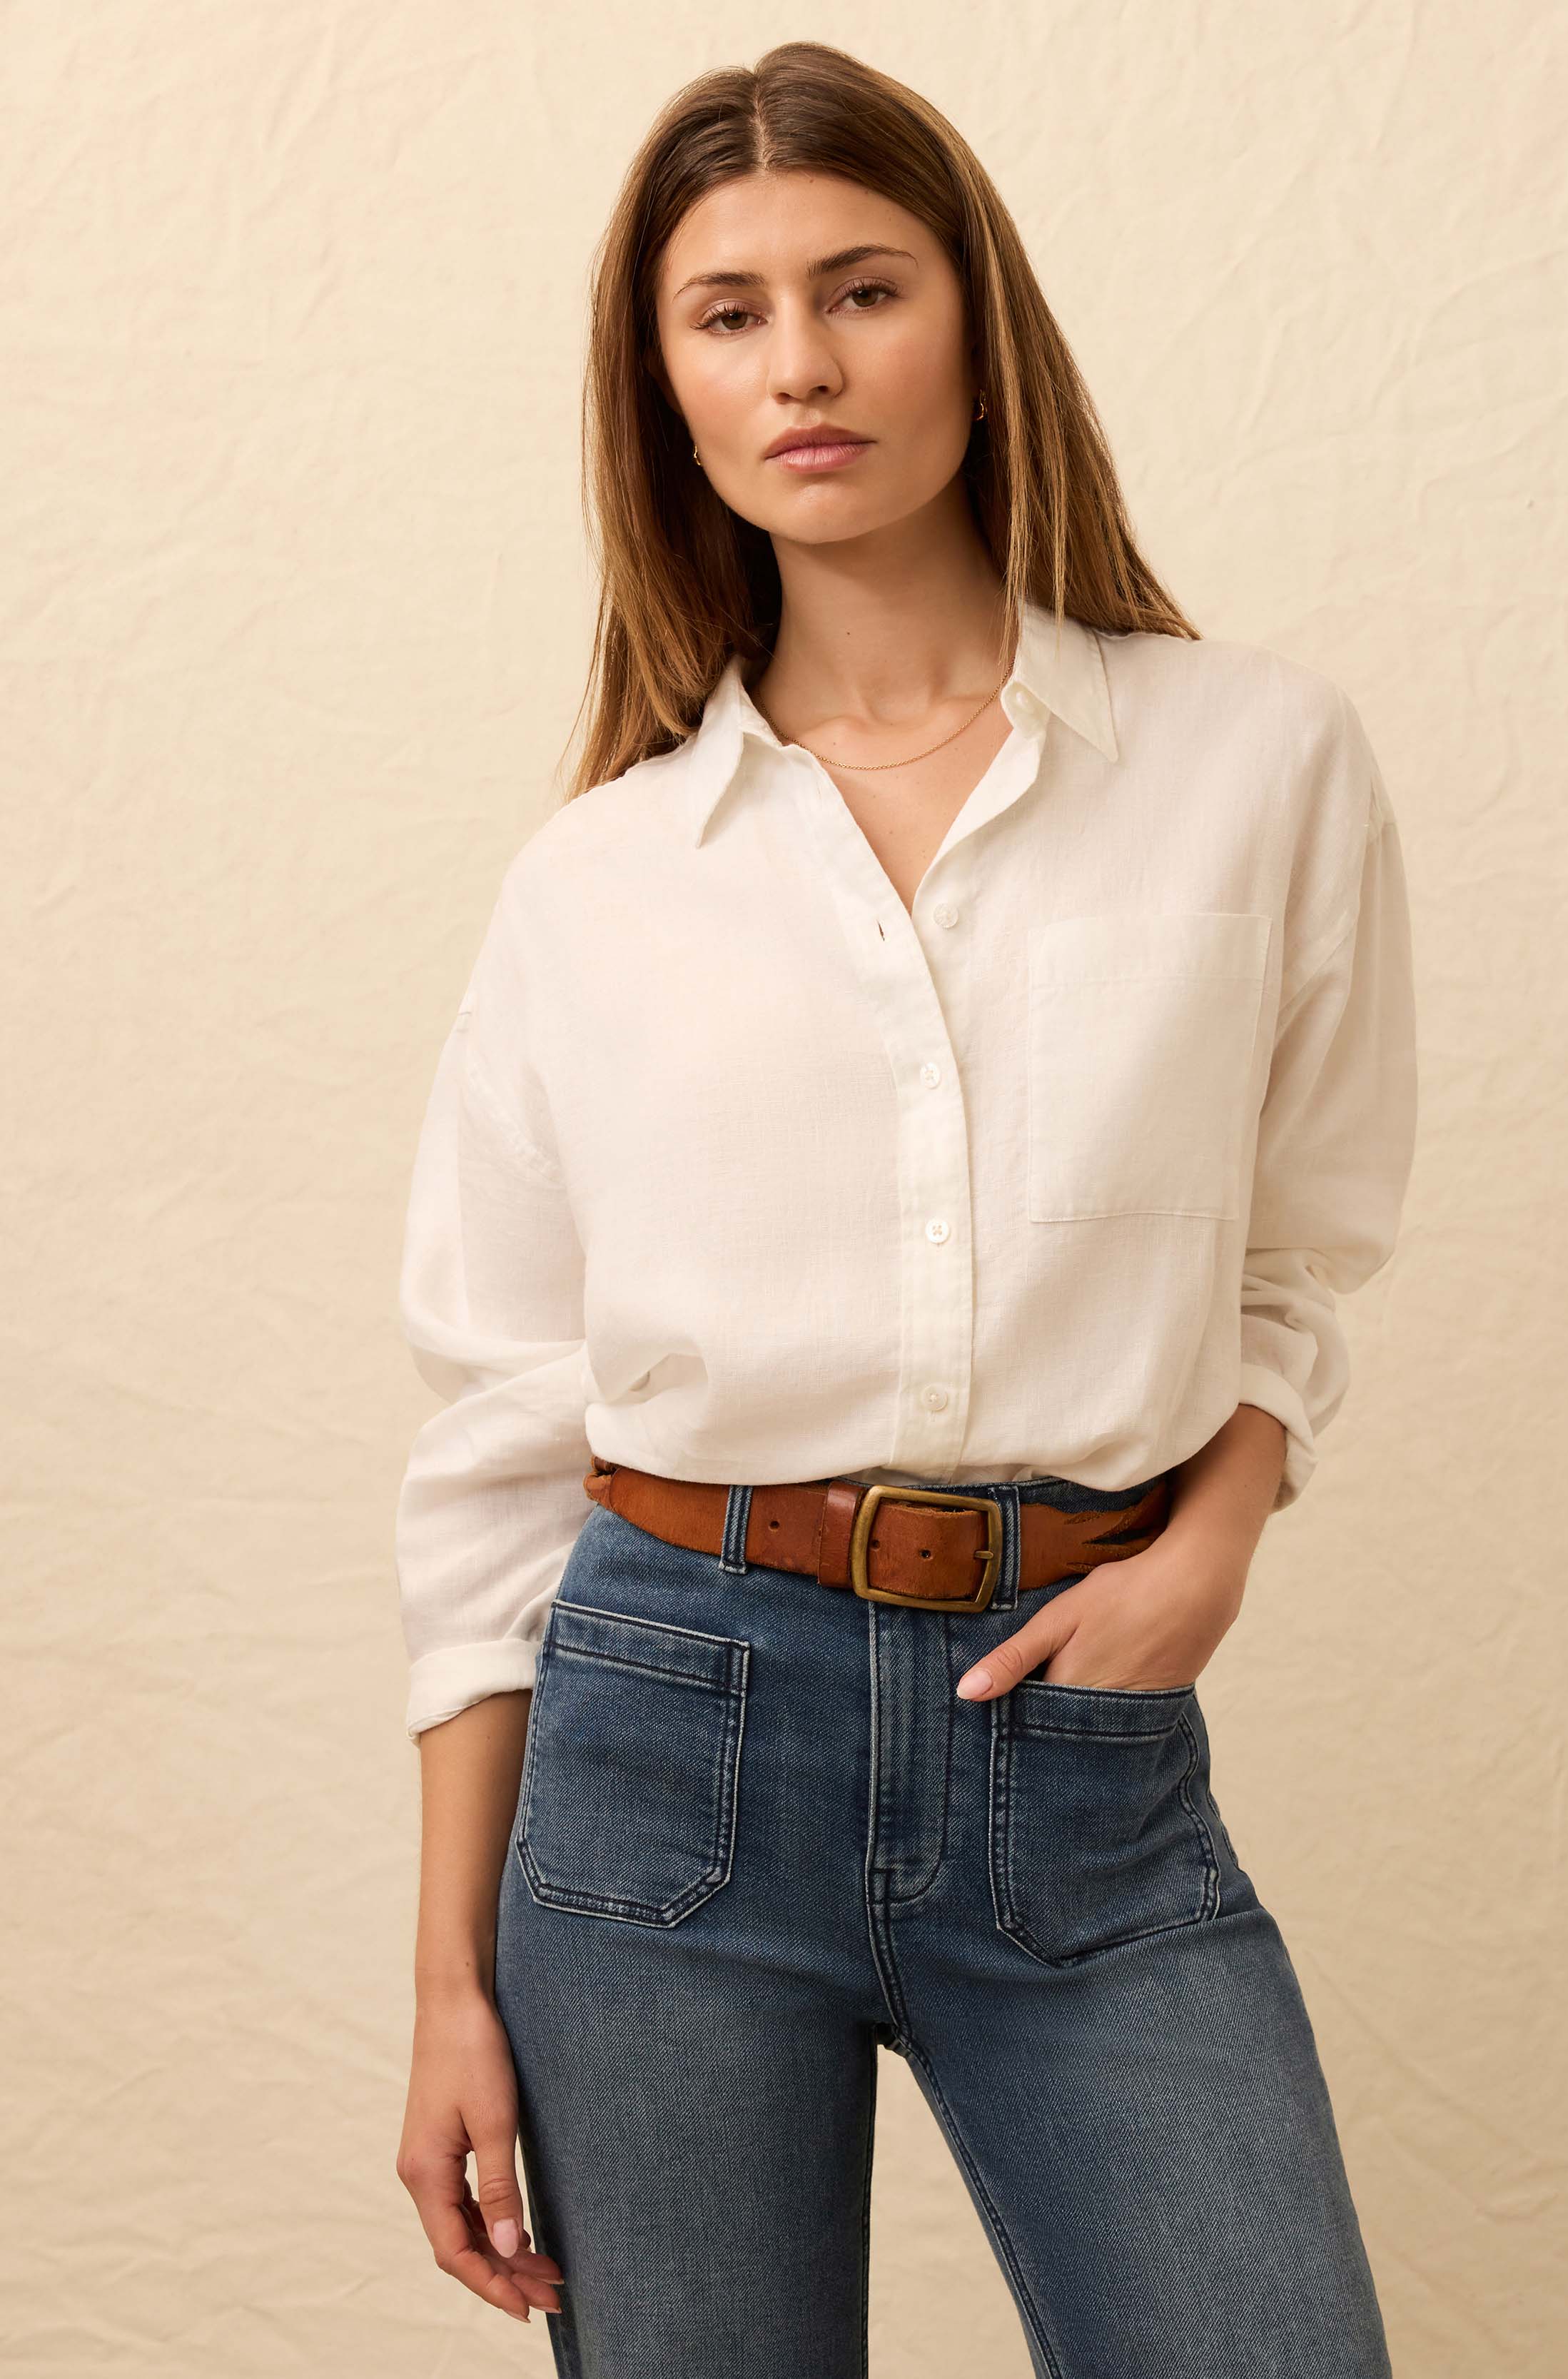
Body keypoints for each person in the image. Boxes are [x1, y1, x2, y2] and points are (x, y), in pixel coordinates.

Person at [391, 38, 1417, 2379]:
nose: (804, 364)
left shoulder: (1248, 762)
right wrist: (449, 1985)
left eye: (860, 288)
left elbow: (1296, 1251)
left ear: (978, 328)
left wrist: (1217, 1530)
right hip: (663, 1742)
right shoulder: (598, 880)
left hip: (1075, 1741)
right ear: (663, 392)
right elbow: (489, 1443)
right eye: (725, 314)